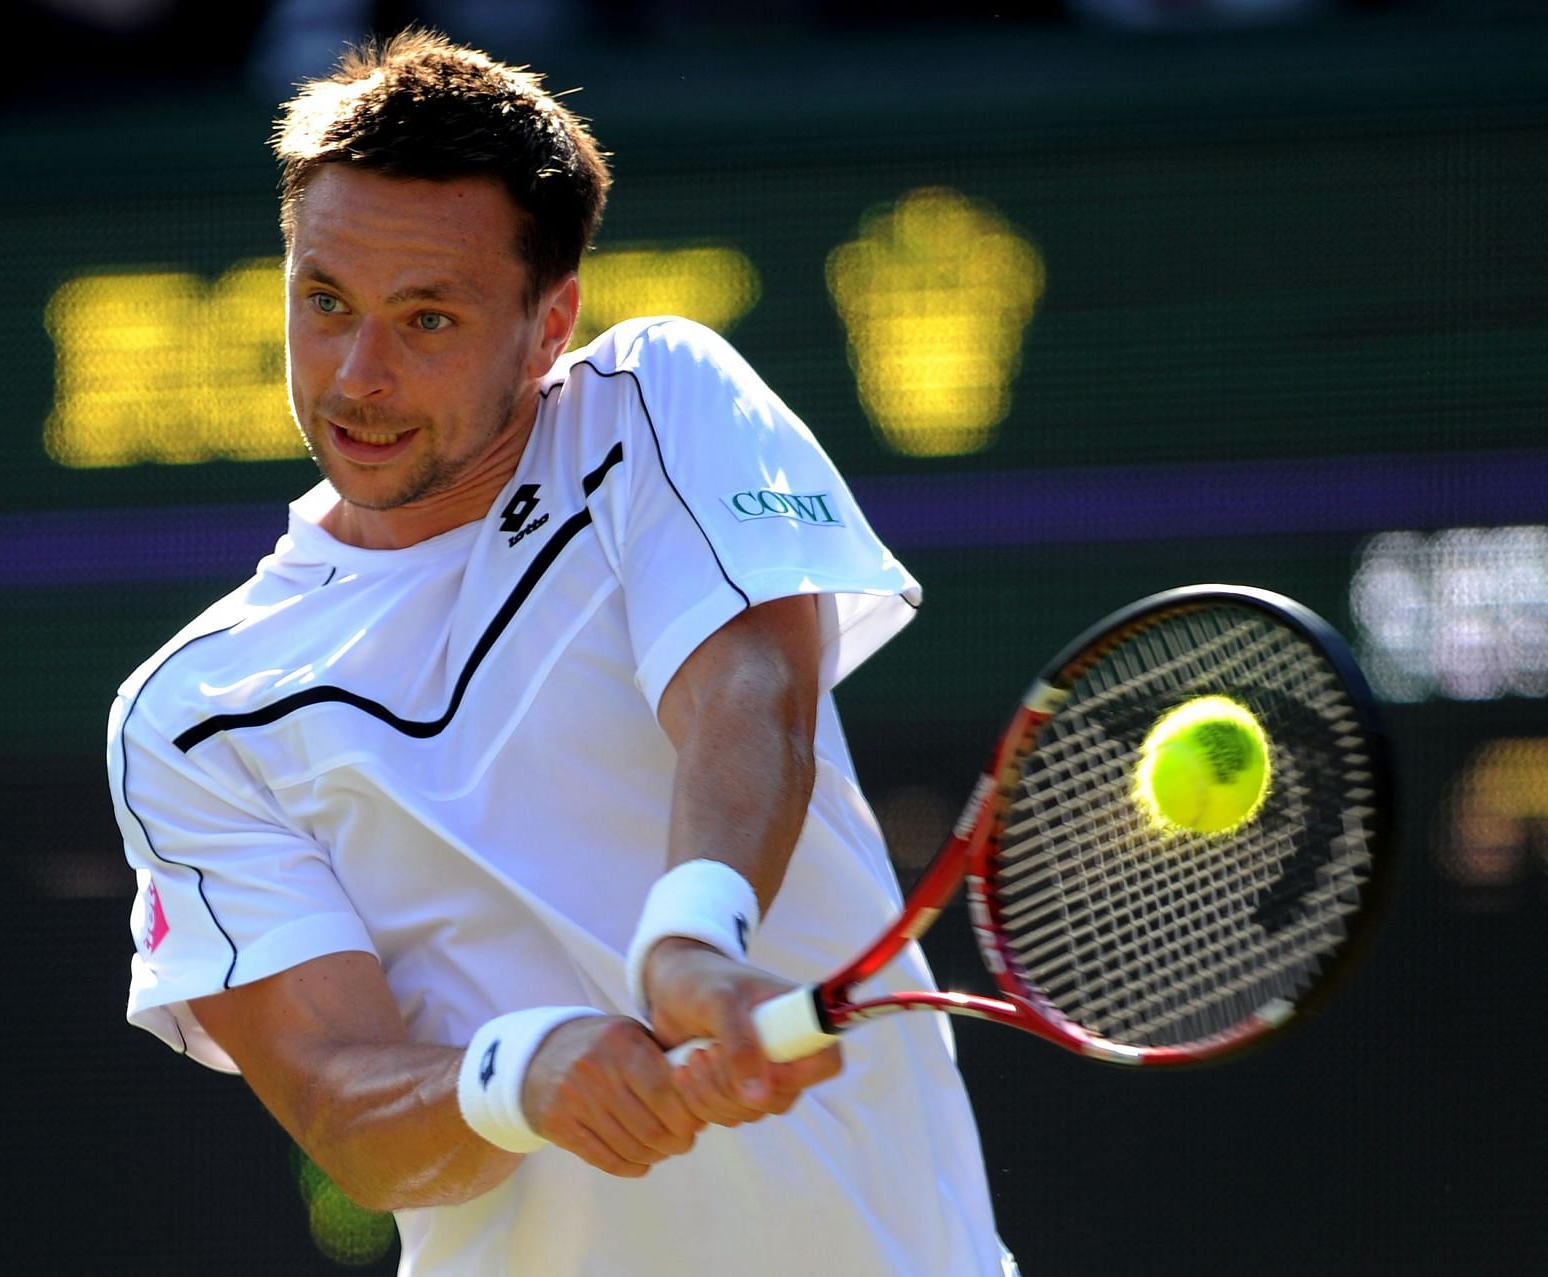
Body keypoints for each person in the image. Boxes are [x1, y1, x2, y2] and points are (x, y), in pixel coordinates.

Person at [110, 29, 1019, 1276]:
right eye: (325, 303)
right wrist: (515, 1078)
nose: (358, 375)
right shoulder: (192, 717)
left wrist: (693, 939)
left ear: (551, 325)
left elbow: (748, 693)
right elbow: (341, 1103)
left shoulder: (657, 400)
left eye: (427, 317)